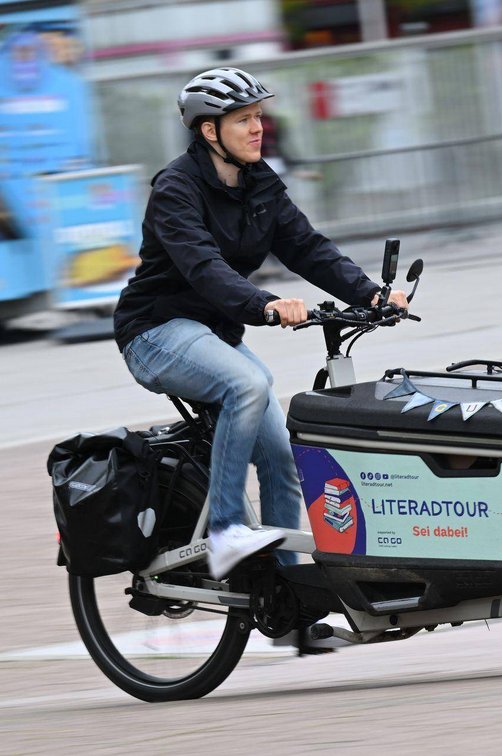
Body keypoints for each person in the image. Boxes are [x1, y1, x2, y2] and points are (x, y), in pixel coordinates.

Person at [113, 67, 409, 579]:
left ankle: (292, 597)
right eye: (244, 120)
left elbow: (306, 247)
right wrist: (267, 304)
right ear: (210, 131)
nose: (258, 129)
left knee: (281, 459)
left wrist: (372, 293)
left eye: (259, 118)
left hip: (213, 336)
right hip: (156, 333)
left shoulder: (259, 182)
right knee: (249, 383)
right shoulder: (175, 190)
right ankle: (226, 531)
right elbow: (204, 267)